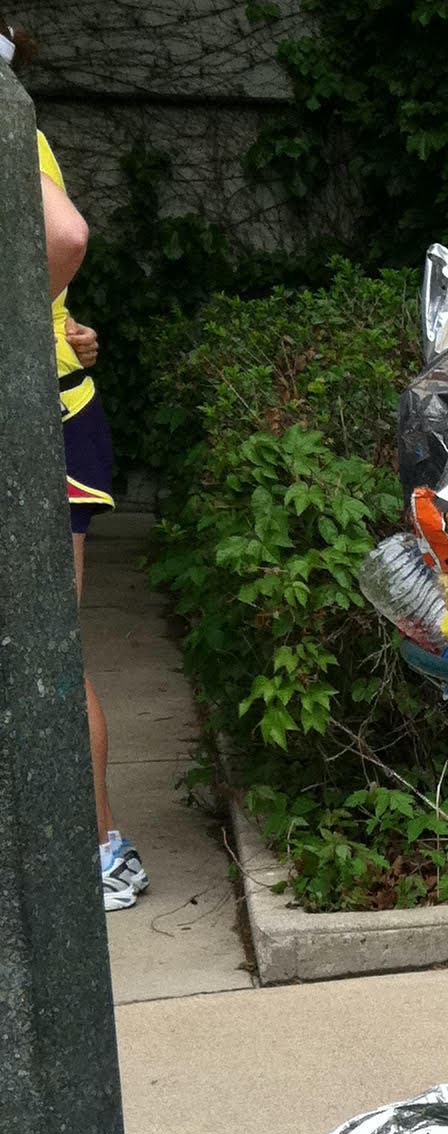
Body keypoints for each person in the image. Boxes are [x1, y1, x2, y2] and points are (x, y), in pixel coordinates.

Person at [8, 16, 146, 909]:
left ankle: (98, 850)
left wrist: (29, 325)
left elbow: (61, 240)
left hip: (41, 422)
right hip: (49, 405)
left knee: (48, 646)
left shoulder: (14, 126)